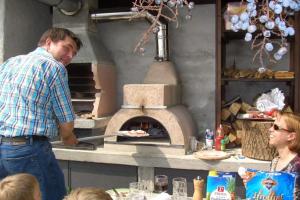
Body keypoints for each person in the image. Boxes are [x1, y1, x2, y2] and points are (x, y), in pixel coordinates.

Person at [0, 27, 82, 200]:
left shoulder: (10, 62)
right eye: (66, 48)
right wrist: (68, 137)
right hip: (28, 150)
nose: (69, 56)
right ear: (48, 42)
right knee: (53, 196)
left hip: (3, 146)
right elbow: (66, 120)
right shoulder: (54, 67)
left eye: (73, 54)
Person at [243, 111, 300, 199]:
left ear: (291, 136)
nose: (270, 129)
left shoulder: (297, 165)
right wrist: (253, 185)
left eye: (276, 127)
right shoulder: (275, 161)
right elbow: (273, 192)